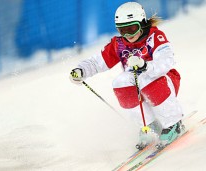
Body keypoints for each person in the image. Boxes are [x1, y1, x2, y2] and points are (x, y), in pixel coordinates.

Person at [69, 2, 184, 149]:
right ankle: (149, 125)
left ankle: (174, 123)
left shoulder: (155, 37)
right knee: (120, 82)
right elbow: (97, 62)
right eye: (122, 30)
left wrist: (145, 65)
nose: (128, 35)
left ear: (142, 23)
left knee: (146, 80)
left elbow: (166, 61)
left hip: (163, 82)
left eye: (132, 28)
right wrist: (82, 70)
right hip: (138, 84)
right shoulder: (119, 44)